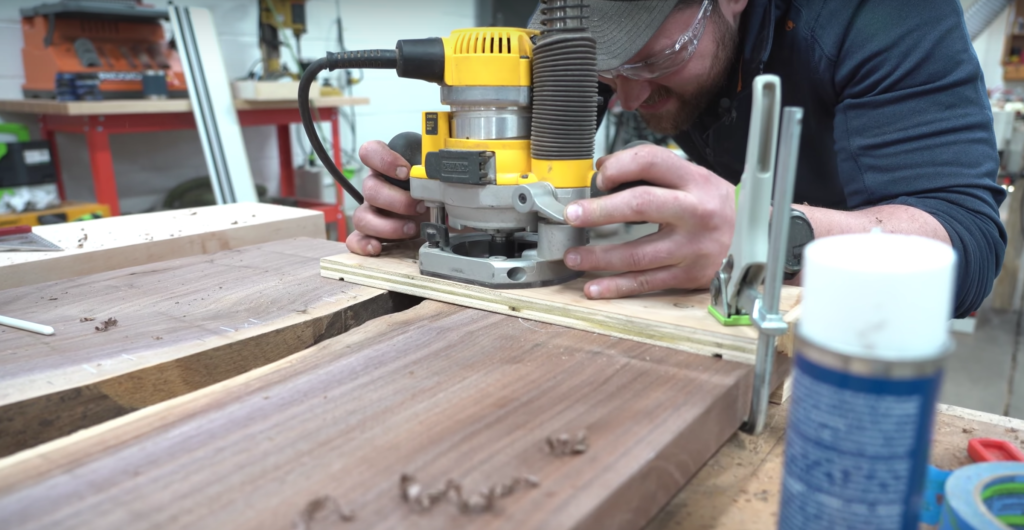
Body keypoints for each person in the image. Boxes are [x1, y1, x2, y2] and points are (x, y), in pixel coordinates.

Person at [346, 0, 1006, 319]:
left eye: (651, 59)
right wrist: (423, 190)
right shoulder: (590, 40)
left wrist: (764, 232)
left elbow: (965, 250)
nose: (625, 94)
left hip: (865, 339)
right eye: (602, 64)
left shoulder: (883, 12)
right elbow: (528, 166)